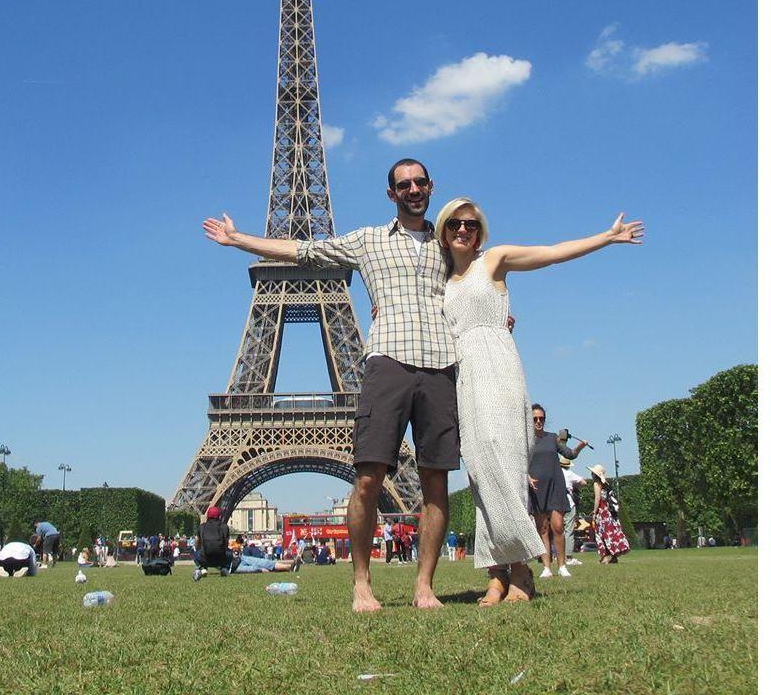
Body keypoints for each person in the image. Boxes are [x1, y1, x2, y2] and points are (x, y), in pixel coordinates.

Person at [205, 159, 460, 613]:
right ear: (392, 194)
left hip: (440, 364)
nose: (414, 189)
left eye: (420, 182)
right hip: (389, 362)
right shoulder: (368, 241)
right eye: (405, 184)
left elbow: (481, 279)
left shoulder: (449, 243)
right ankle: (361, 583)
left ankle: (425, 586)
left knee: (435, 481)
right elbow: (305, 251)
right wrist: (238, 239)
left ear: (431, 187)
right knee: (367, 479)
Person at [438, 197, 642, 604]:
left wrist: (605, 237)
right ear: (443, 230)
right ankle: (496, 574)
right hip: (463, 376)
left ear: (480, 231)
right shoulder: (440, 281)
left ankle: (519, 571)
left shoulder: (493, 260)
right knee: (479, 470)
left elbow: (549, 254)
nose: (464, 230)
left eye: (471, 224)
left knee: (505, 462)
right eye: (455, 224)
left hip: (497, 366)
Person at [528, 404, 589, 579]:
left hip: (555, 486)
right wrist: (526, 477)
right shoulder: (525, 440)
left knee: (558, 526)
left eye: (541, 419)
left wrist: (580, 447)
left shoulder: (553, 438)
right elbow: (520, 462)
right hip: (537, 488)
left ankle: (562, 565)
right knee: (543, 529)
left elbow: (569, 454)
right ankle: (546, 567)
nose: (538, 422)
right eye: (535, 419)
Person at [589, 464, 630, 563]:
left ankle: (606, 556)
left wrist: (594, 512)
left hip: (602, 511)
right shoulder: (606, 483)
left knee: (601, 533)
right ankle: (613, 556)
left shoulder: (596, 484)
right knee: (610, 533)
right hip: (609, 511)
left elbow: (598, 498)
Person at [192, 506, 234, 579]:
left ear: (208, 515)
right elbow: (226, 544)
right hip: (222, 559)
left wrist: (200, 550)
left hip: (205, 559)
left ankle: (202, 568)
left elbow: (197, 542)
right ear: (219, 515)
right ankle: (224, 568)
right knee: (230, 553)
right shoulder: (224, 527)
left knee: (193, 552)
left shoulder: (202, 527)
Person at [559, 456, 586, 565]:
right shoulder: (569, 473)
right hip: (568, 502)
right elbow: (584, 482)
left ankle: (558, 555)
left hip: (555, 501)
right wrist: (574, 486)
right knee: (569, 530)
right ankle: (568, 557)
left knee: (557, 530)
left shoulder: (555, 472)